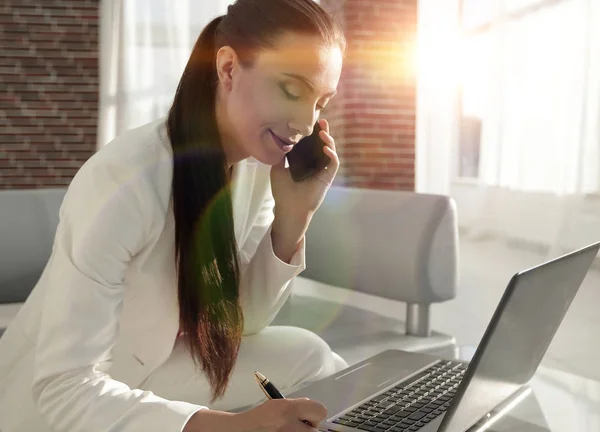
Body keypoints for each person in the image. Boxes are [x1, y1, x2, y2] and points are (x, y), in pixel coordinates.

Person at [0, 0, 348, 431]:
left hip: (154, 366)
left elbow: (245, 321)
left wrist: (294, 218)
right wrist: (233, 427)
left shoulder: (258, 171)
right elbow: (63, 389)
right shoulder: (124, 180)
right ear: (228, 69)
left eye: (321, 103)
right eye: (292, 90)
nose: (305, 122)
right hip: (58, 407)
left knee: (311, 354)